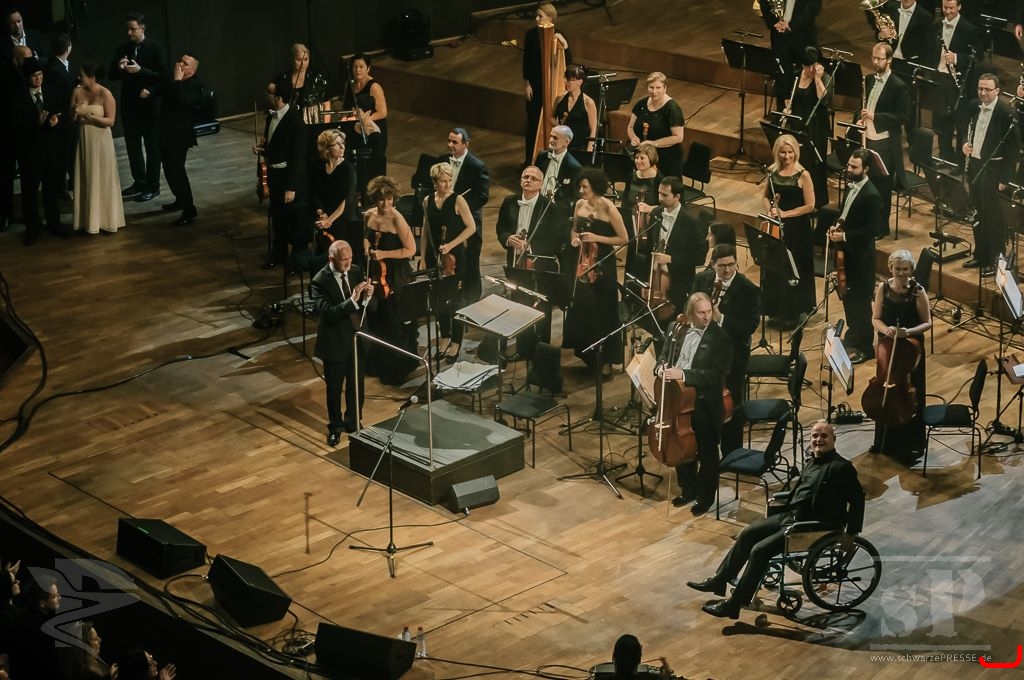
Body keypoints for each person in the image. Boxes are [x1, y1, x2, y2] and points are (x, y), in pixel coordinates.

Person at [689, 420, 865, 619]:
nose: (819, 440)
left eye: (824, 436)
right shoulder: (812, 460)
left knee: (759, 551)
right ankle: (720, 580)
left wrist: (851, 533)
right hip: (791, 516)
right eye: (815, 436)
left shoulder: (842, 467)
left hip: (811, 526)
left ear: (834, 439)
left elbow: (858, 500)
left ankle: (734, 604)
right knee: (747, 533)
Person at [656, 293, 731, 515]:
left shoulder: (720, 337)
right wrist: (660, 368)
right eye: (701, 313)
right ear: (691, 313)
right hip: (677, 399)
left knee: (707, 452)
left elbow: (715, 375)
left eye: (709, 311)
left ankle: (705, 498)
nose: (706, 317)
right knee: (682, 445)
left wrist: (684, 374)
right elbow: (664, 355)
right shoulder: (676, 329)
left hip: (703, 401)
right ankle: (688, 490)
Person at [691, 244, 762, 454]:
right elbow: (690, 308)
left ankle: (732, 454)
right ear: (713, 264)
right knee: (702, 405)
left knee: (731, 408)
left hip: (732, 358)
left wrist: (721, 318)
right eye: (722, 266)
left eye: (731, 264)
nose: (728, 270)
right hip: (702, 355)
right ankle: (706, 450)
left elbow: (748, 328)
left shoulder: (748, 289)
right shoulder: (701, 280)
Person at [311, 240, 375, 446]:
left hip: (357, 339)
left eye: (350, 258)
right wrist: (353, 300)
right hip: (335, 342)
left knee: (356, 385)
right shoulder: (319, 281)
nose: (348, 263)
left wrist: (367, 298)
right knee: (334, 388)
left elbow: (366, 307)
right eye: (343, 260)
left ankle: (353, 422)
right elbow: (328, 314)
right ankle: (336, 426)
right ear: (332, 259)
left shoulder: (355, 271)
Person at [564, 168, 628, 372]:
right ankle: (588, 356)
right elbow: (574, 229)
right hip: (582, 262)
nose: (581, 190)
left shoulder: (609, 208)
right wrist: (574, 239)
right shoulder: (579, 205)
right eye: (580, 186)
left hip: (603, 265)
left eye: (585, 187)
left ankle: (606, 360)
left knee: (602, 310)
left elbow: (624, 239)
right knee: (584, 308)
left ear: (596, 187)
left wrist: (597, 238)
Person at [496, 165, 566, 349]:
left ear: (541, 184)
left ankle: (542, 350)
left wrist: (531, 246)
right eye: (525, 177)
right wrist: (508, 238)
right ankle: (523, 348)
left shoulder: (549, 207)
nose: (528, 180)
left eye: (533, 178)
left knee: (542, 307)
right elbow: (501, 228)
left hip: (540, 265)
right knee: (519, 302)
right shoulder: (509, 201)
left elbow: (558, 238)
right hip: (516, 262)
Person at [869, 249, 931, 457]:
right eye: (897, 269)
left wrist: (908, 332)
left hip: (911, 349)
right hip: (887, 345)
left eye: (905, 269)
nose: (901, 273)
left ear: (911, 269)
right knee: (884, 387)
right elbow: (875, 318)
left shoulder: (918, 291)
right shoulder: (883, 288)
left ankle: (911, 444)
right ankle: (883, 441)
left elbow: (927, 322)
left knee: (910, 391)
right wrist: (885, 329)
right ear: (890, 268)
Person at [827, 148, 883, 364]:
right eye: (849, 165)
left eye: (854, 167)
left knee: (860, 302)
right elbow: (846, 214)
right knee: (848, 297)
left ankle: (866, 346)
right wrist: (837, 226)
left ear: (866, 169)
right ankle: (854, 334)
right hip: (847, 253)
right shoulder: (852, 186)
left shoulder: (872, 195)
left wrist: (844, 236)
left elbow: (872, 230)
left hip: (860, 258)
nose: (849, 169)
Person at [362, 175, 418, 386]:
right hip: (376, 274)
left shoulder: (397, 219)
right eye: (381, 199)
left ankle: (397, 368)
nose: (386, 204)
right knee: (377, 320)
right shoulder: (369, 215)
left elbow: (410, 249)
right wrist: (367, 248)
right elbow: (365, 237)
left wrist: (383, 254)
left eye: (389, 199)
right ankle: (378, 364)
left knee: (393, 323)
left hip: (396, 276)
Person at [962, 74, 1019, 276]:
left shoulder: (1006, 113)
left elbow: (1013, 151)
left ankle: (995, 260)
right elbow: (966, 129)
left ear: (997, 91)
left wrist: (1004, 179)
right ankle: (980, 254)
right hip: (975, 166)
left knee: (993, 218)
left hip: (994, 170)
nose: (983, 93)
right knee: (978, 213)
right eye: (980, 88)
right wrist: (965, 144)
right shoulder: (973, 105)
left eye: (987, 89)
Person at [420, 162, 476, 363]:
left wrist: (451, 245)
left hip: (455, 258)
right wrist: (422, 256)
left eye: (449, 180)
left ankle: (456, 342)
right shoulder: (427, 200)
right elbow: (426, 230)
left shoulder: (458, 200)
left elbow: (471, 228)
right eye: (443, 181)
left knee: (456, 301)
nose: (447, 184)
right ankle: (444, 337)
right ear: (434, 182)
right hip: (435, 257)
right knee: (439, 300)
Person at [109, 12, 168, 202]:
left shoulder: (156, 48)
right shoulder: (122, 49)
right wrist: (119, 68)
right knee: (133, 147)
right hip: (130, 107)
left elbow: (163, 77)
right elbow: (111, 75)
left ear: (142, 29)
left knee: (152, 148)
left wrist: (141, 71)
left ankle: (153, 186)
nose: (129, 33)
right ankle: (140, 181)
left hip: (149, 107)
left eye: (133, 29)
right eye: (127, 29)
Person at [855, 42, 910, 239]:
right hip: (866, 138)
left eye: (880, 59)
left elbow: (904, 117)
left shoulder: (899, 86)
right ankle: (866, 222)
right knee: (866, 183)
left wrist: (875, 117)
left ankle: (881, 228)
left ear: (889, 60)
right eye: (874, 58)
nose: (876, 62)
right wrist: (859, 119)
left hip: (885, 144)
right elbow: (862, 105)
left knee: (882, 188)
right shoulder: (869, 79)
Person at [761, 134, 815, 328]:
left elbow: (810, 206)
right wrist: (771, 210)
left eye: (790, 152)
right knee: (776, 268)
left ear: (795, 152)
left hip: (797, 230)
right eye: (783, 152)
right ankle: (778, 311)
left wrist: (785, 214)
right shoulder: (772, 172)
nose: (786, 156)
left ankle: (794, 312)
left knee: (794, 269)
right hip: (777, 226)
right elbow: (765, 196)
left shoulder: (803, 175)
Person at [256, 75, 307, 269]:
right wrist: (263, 148)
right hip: (274, 177)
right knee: (277, 218)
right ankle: (279, 255)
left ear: (278, 98)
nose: (266, 95)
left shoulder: (295, 122)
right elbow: (275, 145)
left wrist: (291, 187)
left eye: (269, 93)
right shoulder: (271, 116)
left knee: (293, 222)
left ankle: (297, 261)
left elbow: (298, 157)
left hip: (288, 180)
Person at [15, 57, 68, 245]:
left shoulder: (51, 91)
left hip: (50, 150)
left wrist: (55, 120)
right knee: (30, 192)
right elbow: (15, 127)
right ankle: (33, 228)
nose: (38, 79)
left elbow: (61, 113)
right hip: (30, 153)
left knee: (51, 188)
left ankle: (54, 223)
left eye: (40, 74)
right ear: (26, 77)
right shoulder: (18, 97)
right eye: (34, 76)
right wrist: (35, 124)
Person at [71, 61, 126, 235]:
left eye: (82, 75)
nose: (79, 77)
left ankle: (106, 219)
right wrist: (74, 110)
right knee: (87, 176)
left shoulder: (105, 93)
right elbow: (71, 118)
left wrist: (93, 118)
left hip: (101, 141)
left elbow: (111, 121)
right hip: (84, 140)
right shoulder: (76, 92)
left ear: (92, 77)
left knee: (103, 177)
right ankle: (87, 221)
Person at [642, 177, 708, 312]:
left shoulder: (692, 223)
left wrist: (671, 259)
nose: (660, 198)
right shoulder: (656, 213)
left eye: (665, 195)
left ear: (677, 197)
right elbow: (649, 247)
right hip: (654, 274)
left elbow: (699, 258)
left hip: (678, 278)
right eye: (659, 193)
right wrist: (646, 280)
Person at [928, 0, 980, 163]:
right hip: (939, 78)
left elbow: (977, 57)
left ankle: (959, 161)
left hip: (958, 81)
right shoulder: (936, 25)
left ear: (959, 7)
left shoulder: (969, 29)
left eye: (951, 8)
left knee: (960, 122)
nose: (948, 11)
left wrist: (956, 57)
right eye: (945, 7)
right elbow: (929, 50)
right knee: (942, 121)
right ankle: (945, 156)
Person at [445, 127, 489, 303]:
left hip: (468, 221)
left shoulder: (477, 166)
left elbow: (482, 196)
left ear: (466, 144)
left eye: (454, 142)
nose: (450, 145)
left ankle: (473, 298)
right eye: (449, 141)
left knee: (471, 261)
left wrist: (460, 208)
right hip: (447, 221)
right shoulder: (443, 160)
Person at [522, 1, 570, 164]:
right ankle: (530, 160)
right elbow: (527, 61)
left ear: (550, 18)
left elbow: (567, 61)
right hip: (536, 85)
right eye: (536, 16)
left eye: (540, 16)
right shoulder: (531, 35)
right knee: (533, 123)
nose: (537, 19)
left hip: (551, 85)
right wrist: (528, 83)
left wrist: (565, 45)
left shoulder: (558, 34)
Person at [784, 46, 830, 209]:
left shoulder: (825, 77)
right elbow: (791, 97)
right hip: (798, 124)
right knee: (798, 162)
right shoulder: (797, 75)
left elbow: (824, 100)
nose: (809, 70)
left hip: (816, 127)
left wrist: (817, 78)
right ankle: (798, 199)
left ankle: (816, 202)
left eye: (812, 66)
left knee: (814, 166)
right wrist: (788, 108)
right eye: (806, 66)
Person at [159, 53, 201, 226]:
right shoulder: (174, 80)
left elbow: (183, 101)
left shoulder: (196, 85)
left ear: (192, 70)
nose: (180, 64)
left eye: (185, 63)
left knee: (177, 169)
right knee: (168, 168)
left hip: (180, 134)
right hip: (166, 131)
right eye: (180, 61)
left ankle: (190, 209)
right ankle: (180, 199)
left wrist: (177, 81)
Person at [758, 0, 821, 110]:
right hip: (779, 34)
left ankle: (802, 112)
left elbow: (813, 6)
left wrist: (792, 25)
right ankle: (782, 111)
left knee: (805, 72)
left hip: (803, 34)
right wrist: (773, 22)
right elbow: (764, 2)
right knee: (782, 73)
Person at [626, 72, 685, 177]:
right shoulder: (641, 104)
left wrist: (653, 143)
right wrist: (633, 137)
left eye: (658, 88)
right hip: (644, 159)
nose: (654, 91)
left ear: (665, 88)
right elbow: (630, 127)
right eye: (651, 87)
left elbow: (678, 137)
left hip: (666, 158)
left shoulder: (672, 108)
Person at [342, 53, 388, 187]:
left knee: (372, 166)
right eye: (355, 67)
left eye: (361, 67)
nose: (357, 70)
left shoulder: (374, 86)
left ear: (368, 68)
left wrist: (365, 119)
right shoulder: (350, 85)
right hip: (355, 130)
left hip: (373, 132)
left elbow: (383, 112)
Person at [311, 128, 358, 254]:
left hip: (342, 218)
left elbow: (346, 200)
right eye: (337, 144)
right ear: (326, 148)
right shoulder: (318, 166)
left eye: (343, 143)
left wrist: (329, 220)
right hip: (325, 215)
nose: (342, 147)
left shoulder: (348, 169)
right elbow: (315, 192)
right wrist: (322, 213)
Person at [622, 142, 664, 269]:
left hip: (650, 224)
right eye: (636, 158)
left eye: (642, 158)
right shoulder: (631, 176)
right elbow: (625, 200)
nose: (638, 161)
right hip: (632, 222)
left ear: (651, 159)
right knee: (631, 253)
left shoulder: (659, 179)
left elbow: (665, 207)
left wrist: (650, 208)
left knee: (645, 257)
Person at [534, 124, 581, 219]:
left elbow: (574, 197)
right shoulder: (542, 156)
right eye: (551, 136)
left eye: (555, 138)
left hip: (557, 211)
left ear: (566, 142)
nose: (551, 140)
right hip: (537, 204)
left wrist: (555, 208)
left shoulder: (574, 167)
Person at [868, 0, 933, 63]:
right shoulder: (890, 8)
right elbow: (878, 34)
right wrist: (881, 35)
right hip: (889, 59)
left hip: (912, 62)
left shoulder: (926, 17)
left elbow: (928, 47)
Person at [553, 65, 596, 154]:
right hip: (561, 145)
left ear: (580, 82)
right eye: (566, 79)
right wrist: (559, 127)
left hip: (580, 147)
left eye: (571, 80)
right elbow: (551, 117)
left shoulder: (588, 102)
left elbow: (593, 130)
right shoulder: (560, 98)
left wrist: (588, 152)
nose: (567, 82)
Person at [282, 43, 323, 120]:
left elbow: (326, 104)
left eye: (306, 59)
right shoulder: (284, 80)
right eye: (299, 60)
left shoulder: (317, 79)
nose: (303, 64)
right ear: (291, 59)